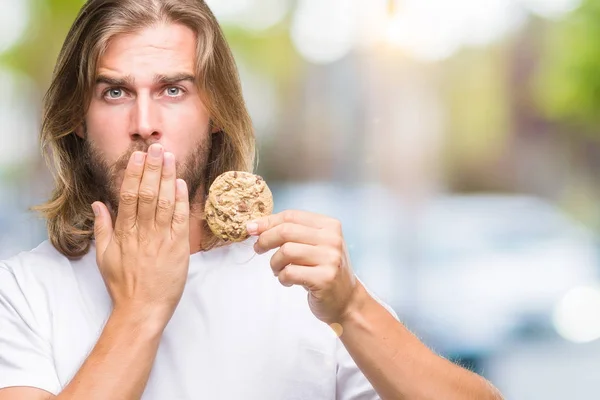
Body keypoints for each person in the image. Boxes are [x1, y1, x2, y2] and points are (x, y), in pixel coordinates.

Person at [0, 1, 503, 399]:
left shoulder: (298, 285)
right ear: (76, 118)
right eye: (115, 93)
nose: (144, 123)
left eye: (173, 89)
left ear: (216, 112)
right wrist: (140, 309)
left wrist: (351, 308)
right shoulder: (22, 291)